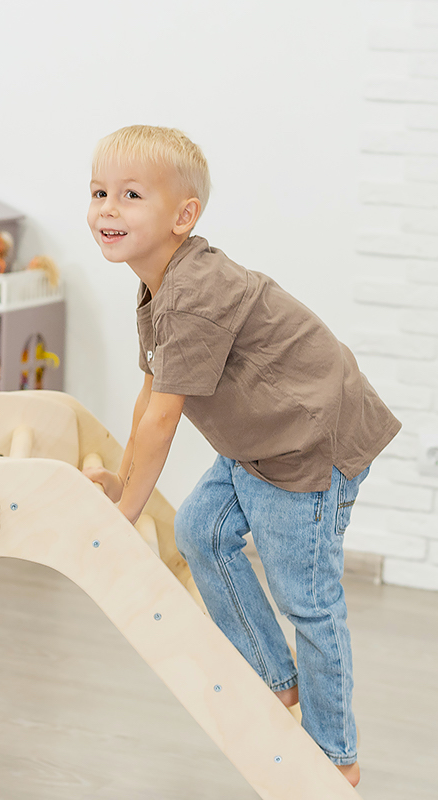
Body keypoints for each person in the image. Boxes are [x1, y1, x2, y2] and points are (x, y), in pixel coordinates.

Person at [81, 125, 400, 788]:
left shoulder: (194, 294)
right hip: (255, 443)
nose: (108, 208)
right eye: (99, 192)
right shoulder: (159, 286)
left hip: (305, 447)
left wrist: (126, 513)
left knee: (307, 600)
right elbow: (149, 395)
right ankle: (273, 678)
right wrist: (123, 492)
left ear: (183, 216)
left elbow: (165, 419)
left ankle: (335, 755)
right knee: (201, 530)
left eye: (131, 195)